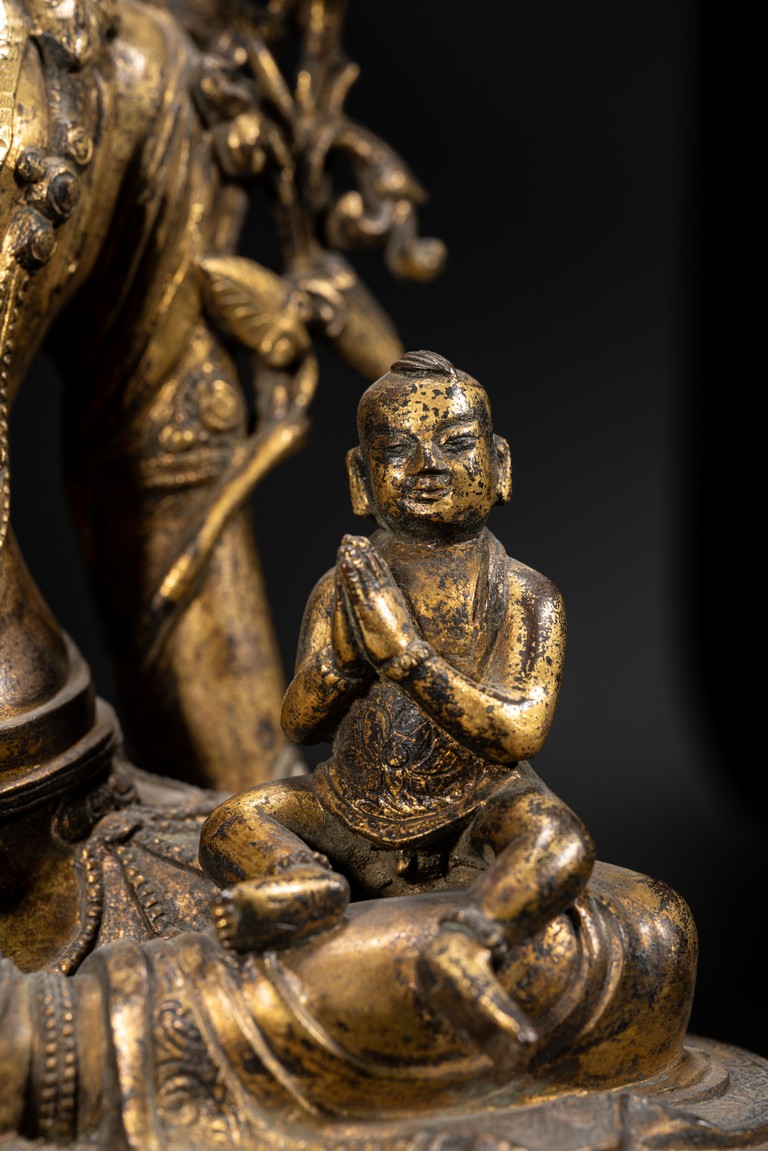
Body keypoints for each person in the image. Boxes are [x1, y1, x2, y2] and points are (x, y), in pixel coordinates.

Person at [200, 350, 584, 972]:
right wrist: (344, 664)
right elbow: (298, 725)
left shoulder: (525, 594)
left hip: (478, 803)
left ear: (500, 463)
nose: (428, 464)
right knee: (232, 822)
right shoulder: (342, 587)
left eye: (456, 443)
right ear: (360, 476)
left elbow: (521, 731)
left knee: (557, 840)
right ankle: (305, 883)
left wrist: (405, 655)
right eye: (398, 450)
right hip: (347, 801)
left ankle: (473, 936)